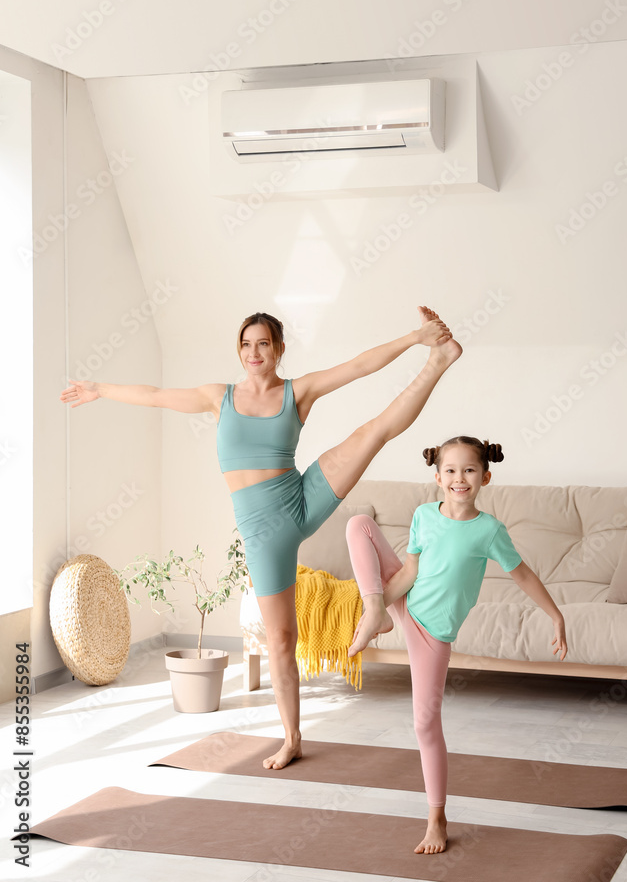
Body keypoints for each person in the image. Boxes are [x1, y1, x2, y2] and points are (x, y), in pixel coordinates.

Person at [60, 306, 462, 770]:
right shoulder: (219, 397)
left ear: (279, 350)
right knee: (281, 638)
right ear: (240, 350)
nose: (254, 352)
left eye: (264, 344)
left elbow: (357, 366)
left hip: (301, 495)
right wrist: (99, 389)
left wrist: (416, 338)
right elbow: (155, 395)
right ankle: (291, 737)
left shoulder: (298, 392)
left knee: (373, 432)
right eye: (247, 344)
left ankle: (440, 360)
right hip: (264, 532)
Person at [345, 435, 568, 855]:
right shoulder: (424, 515)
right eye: (450, 470)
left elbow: (523, 576)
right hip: (401, 603)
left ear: (485, 476)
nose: (459, 478)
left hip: (432, 634)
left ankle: (437, 818)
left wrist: (555, 615)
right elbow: (410, 570)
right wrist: (385, 603)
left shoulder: (489, 531)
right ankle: (374, 614)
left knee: (425, 725)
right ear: (437, 477)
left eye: (468, 470)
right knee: (358, 524)